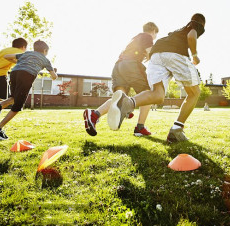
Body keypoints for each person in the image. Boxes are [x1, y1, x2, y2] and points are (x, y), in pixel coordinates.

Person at [106, 13, 206, 143]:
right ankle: (176, 130)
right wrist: (195, 55)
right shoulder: (195, 24)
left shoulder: (177, 32)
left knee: (158, 95)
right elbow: (191, 36)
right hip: (174, 53)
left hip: (156, 55)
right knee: (194, 92)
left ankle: (127, 103)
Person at [83, 22, 159, 137]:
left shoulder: (135, 38)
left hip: (118, 66)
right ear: (153, 30)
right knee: (148, 94)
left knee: (118, 100)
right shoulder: (147, 36)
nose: (155, 37)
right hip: (131, 65)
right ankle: (140, 127)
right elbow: (151, 53)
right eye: (156, 34)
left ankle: (94, 115)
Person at [0, 40, 57, 141]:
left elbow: (6, 57)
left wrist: (20, 62)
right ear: (45, 50)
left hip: (14, 73)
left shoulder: (26, 53)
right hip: (26, 75)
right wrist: (54, 73)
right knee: (18, 106)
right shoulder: (45, 59)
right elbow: (53, 76)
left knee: (14, 98)